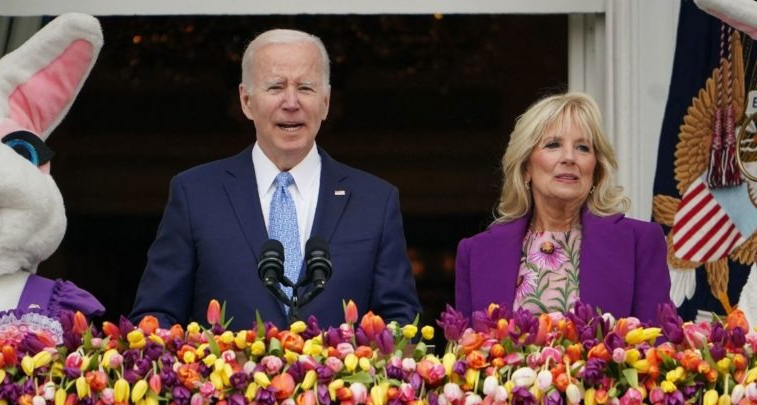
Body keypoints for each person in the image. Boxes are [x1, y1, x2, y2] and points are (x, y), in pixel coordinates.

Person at [130, 29, 421, 330]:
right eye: (275, 87)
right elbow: (155, 318)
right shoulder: (195, 195)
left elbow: (401, 323)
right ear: (246, 100)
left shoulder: (375, 201)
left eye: (306, 88)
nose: (291, 102)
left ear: (326, 101)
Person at [455, 92, 670, 322]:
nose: (570, 157)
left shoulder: (640, 242)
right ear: (525, 167)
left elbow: (658, 345)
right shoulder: (476, 252)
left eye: (583, 148)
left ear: (595, 171)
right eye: (553, 145)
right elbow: (467, 349)